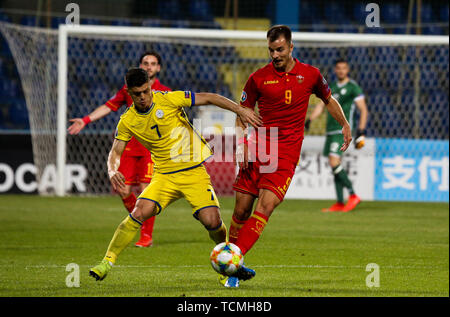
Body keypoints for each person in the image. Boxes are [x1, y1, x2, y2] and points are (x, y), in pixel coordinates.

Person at [89, 67, 262, 281]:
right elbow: (116, 151)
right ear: (129, 92)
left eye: (145, 91)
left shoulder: (169, 99)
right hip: (164, 177)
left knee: (212, 221)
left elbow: (208, 97)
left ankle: (230, 264)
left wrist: (240, 110)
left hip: (193, 173)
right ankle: (107, 261)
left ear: (150, 87)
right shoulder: (128, 120)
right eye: (137, 94)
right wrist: (112, 169)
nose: (142, 97)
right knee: (139, 212)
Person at [224, 25, 353, 288]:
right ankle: (230, 261)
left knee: (266, 206)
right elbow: (242, 113)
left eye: (280, 49)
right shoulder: (258, 78)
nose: (275, 54)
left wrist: (345, 124)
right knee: (241, 210)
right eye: (271, 50)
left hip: (285, 155)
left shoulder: (311, 75)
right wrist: (241, 145)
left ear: (291, 47)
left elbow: (328, 99)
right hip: (258, 149)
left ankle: (232, 263)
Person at [68, 51, 171, 247]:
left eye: (153, 63)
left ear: (158, 68)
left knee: (146, 191)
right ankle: (139, 221)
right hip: (128, 148)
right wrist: (85, 120)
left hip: (152, 150)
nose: (149, 66)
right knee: (122, 189)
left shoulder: (165, 92)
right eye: (145, 63)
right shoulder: (128, 90)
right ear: (140, 66)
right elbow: (108, 106)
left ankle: (146, 236)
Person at [305, 58, 368, 212]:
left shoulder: (353, 88)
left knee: (334, 162)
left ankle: (353, 195)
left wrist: (361, 130)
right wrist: (310, 120)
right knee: (335, 164)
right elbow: (321, 105)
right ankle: (340, 202)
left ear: (348, 70)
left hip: (342, 130)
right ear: (335, 70)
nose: (341, 71)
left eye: (344, 68)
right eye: (338, 68)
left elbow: (364, 110)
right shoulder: (331, 86)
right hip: (330, 131)